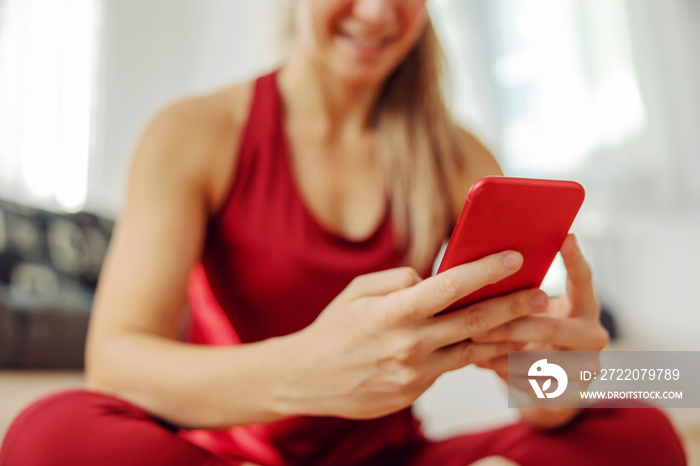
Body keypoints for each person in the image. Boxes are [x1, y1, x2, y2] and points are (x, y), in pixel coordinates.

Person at [0, 1, 687, 465]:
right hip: (226, 457)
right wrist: (307, 373)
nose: (379, 11)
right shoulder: (196, 133)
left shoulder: (459, 158)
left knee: (645, 427)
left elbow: (530, 386)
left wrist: (553, 382)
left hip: (394, 458)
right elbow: (116, 362)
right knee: (48, 435)